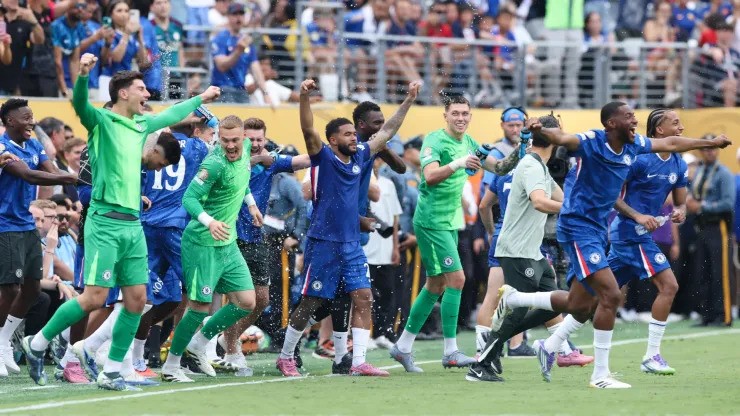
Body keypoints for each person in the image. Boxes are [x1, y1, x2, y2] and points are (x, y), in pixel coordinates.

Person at [482, 101, 731, 388]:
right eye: (629, 116)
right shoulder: (592, 141)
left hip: (598, 231)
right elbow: (563, 138)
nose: (635, 121)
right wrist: (541, 130)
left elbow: (673, 143)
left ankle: (520, 306)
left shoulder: (635, 145)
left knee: (579, 304)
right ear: (612, 123)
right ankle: (601, 375)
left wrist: (711, 142)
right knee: (613, 295)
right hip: (579, 228)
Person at [22, 53, 220, 391]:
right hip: (104, 221)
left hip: (133, 225)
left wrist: (202, 97)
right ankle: (37, 342)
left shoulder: (141, 125)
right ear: (123, 93)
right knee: (94, 297)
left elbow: (171, 115)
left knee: (137, 299)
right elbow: (80, 104)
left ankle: (112, 371)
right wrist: (83, 75)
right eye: (142, 89)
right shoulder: (101, 121)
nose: (148, 94)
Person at [275, 79, 421, 378]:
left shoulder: (361, 155)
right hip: (323, 242)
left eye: (355, 134)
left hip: (352, 243)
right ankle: (286, 356)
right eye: (348, 134)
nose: (354, 138)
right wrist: (304, 97)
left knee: (363, 296)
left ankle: (358, 362)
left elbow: (388, 131)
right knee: (312, 301)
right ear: (332, 140)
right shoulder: (323, 157)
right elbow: (308, 129)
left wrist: (408, 99)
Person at [390, 95, 522, 373]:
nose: (461, 118)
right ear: (446, 116)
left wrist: (522, 148)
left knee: (435, 284)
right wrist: (460, 163)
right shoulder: (434, 140)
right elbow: (429, 177)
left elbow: (499, 168)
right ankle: (450, 351)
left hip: (450, 222)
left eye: (465, 113)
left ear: (470, 116)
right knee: (458, 279)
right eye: (456, 113)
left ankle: (402, 346)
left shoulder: (469, 142)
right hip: (431, 221)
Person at [159, 115, 263, 383]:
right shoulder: (213, 164)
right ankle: (171, 366)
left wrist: (251, 204)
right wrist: (210, 221)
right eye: (225, 140)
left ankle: (199, 343)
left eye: (235, 140)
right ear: (219, 138)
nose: (230, 146)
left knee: (247, 302)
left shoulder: (246, 149)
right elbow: (189, 198)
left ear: (244, 137)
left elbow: (242, 179)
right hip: (202, 244)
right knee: (198, 307)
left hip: (227, 243)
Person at [468, 114, 569, 382]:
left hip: (532, 252)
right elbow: (540, 202)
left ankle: (548, 347)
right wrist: (573, 210)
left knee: (555, 303)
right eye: (560, 132)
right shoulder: (532, 166)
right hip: (517, 251)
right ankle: (482, 363)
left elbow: (564, 199)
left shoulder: (540, 166)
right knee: (517, 310)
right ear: (551, 137)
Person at [216, 117, 311, 374]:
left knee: (261, 300)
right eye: (251, 139)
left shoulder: (272, 163)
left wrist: (328, 153)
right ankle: (230, 350)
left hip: (257, 237)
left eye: (260, 139)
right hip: (229, 236)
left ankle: (226, 339)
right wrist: (257, 158)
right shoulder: (226, 159)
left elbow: (302, 161)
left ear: (266, 139)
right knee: (235, 299)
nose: (256, 144)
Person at [604, 108, 689, 375]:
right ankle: (652, 356)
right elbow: (611, 194)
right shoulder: (639, 159)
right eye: (675, 123)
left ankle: (552, 343)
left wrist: (681, 212)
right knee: (669, 285)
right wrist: (638, 216)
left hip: (638, 235)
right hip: (629, 233)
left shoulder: (679, 163)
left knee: (590, 296)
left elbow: (681, 202)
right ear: (660, 130)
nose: (681, 128)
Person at [0, 99, 77, 378]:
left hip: (26, 224)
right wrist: (72, 179)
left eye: (32, 117)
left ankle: (3, 341)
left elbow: (51, 171)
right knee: (10, 288)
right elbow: (30, 175)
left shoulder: (33, 144)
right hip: (5, 224)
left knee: (32, 289)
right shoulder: (3, 147)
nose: (31, 122)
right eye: (26, 118)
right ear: (10, 121)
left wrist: (71, 176)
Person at [132, 125, 211, 376]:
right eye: (209, 130)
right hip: (174, 227)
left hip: (147, 224)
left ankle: (135, 356)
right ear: (195, 127)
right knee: (201, 290)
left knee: (164, 298)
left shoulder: (149, 142)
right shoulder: (197, 146)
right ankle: (189, 354)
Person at [687, 134, 736, 326]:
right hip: (702, 226)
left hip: (719, 226)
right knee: (703, 271)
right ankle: (707, 315)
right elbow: (694, 194)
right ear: (701, 152)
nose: (710, 153)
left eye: (713, 149)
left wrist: (701, 206)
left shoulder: (724, 173)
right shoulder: (700, 171)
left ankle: (723, 315)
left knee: (720, 272)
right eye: (706, 149)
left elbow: (728, 203)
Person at [210, 3, 270, 104]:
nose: (238, 17)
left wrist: (265, 94)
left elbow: (256, 69)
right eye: (235, 14)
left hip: (241, 90)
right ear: (228, 16)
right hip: (222, 90)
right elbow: (221, 66)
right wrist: (238, 51)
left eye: (241, 14)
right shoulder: (221, 38)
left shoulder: (246, 40)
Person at [51, 0, 86, 97]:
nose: (80, 9)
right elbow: (57, 61)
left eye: (83, 6)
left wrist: (76, 90)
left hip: (64, 77)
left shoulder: (79, 27)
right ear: (67, 8)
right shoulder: (56, 26)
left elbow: (74, 61)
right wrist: (64, 90)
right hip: (50, 75)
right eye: (76, 6)